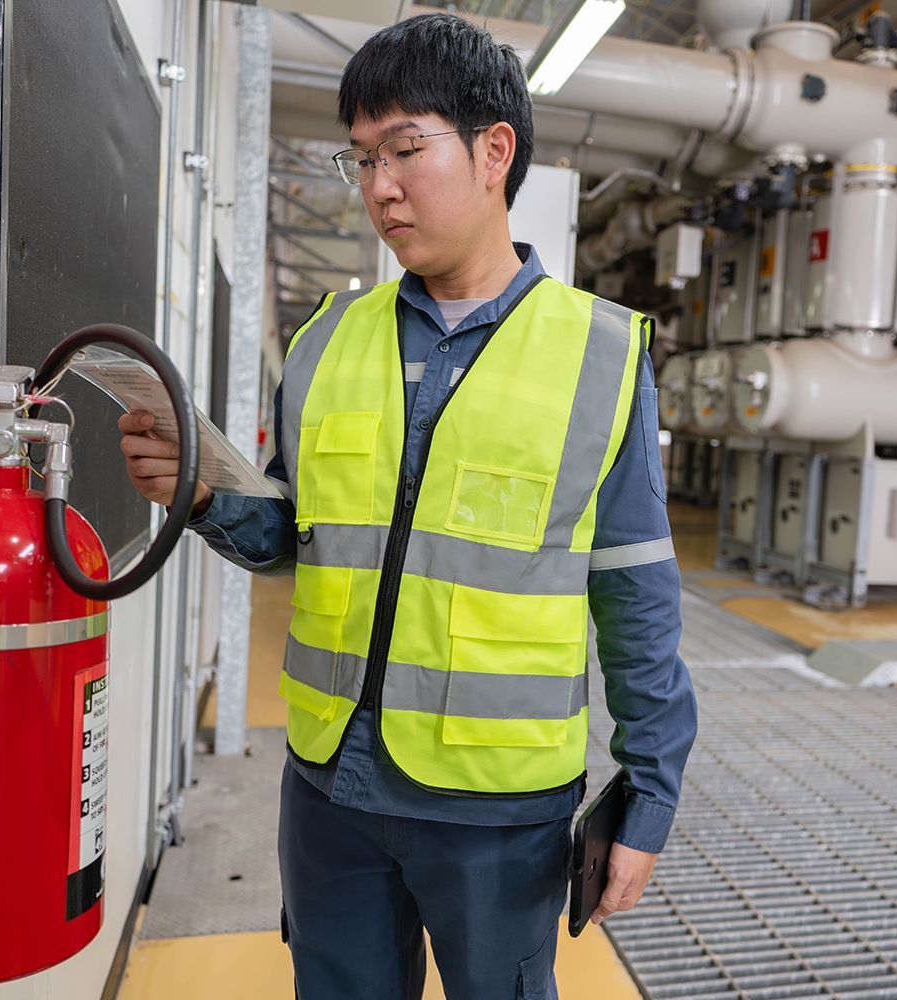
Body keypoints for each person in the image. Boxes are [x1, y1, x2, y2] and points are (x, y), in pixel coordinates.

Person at [118, 12, 695, 999]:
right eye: (361, 159)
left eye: (404, 149)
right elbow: (291, 540)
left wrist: (647, 798)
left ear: (493, 152)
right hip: (329, 790)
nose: (379, 187)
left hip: (497, 814)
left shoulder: (600, 355)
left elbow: (637, 597)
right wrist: (206, 493)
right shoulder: (327, 341)